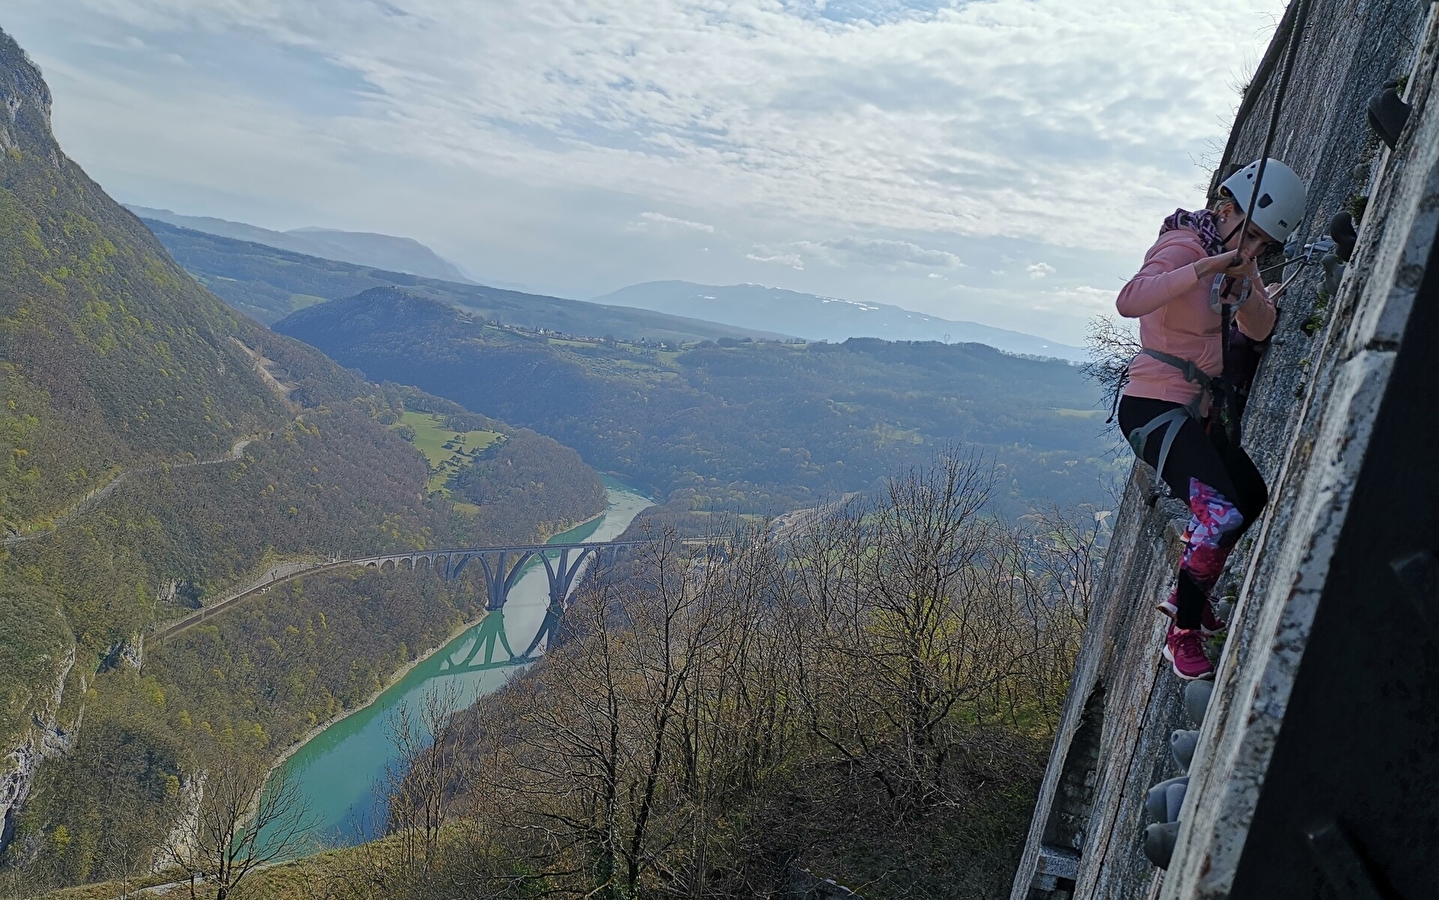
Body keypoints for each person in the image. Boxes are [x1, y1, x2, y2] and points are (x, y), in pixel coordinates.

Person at [1115, 158, 1306, 680]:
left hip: (1194, 411)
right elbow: (1130, 300)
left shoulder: (1239, 263)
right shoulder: (1184, 246)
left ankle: (1189, 599)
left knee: (1249, 496)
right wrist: (1204, 269)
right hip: (1152, 406)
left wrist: (1242, 292)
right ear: (1225, 210)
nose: (1254, 250)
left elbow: (1261, 329)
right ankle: (1182, 635)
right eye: (1252, 235)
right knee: (1219, 514)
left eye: (1264, 244)